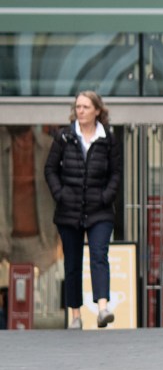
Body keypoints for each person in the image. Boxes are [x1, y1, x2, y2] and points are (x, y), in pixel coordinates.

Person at [44, 91, 122, 330]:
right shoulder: (64, 137)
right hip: (69, 209)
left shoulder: (107, 138)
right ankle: (75, 315)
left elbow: (116, 173)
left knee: (99, 255)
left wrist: (105, 196)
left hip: (99, 210)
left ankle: (102, 308)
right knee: (73, 262)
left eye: (86, 107)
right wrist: (60, 194)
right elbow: (50, 170)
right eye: (78, 106)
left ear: (97, 110)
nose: (81, 111)